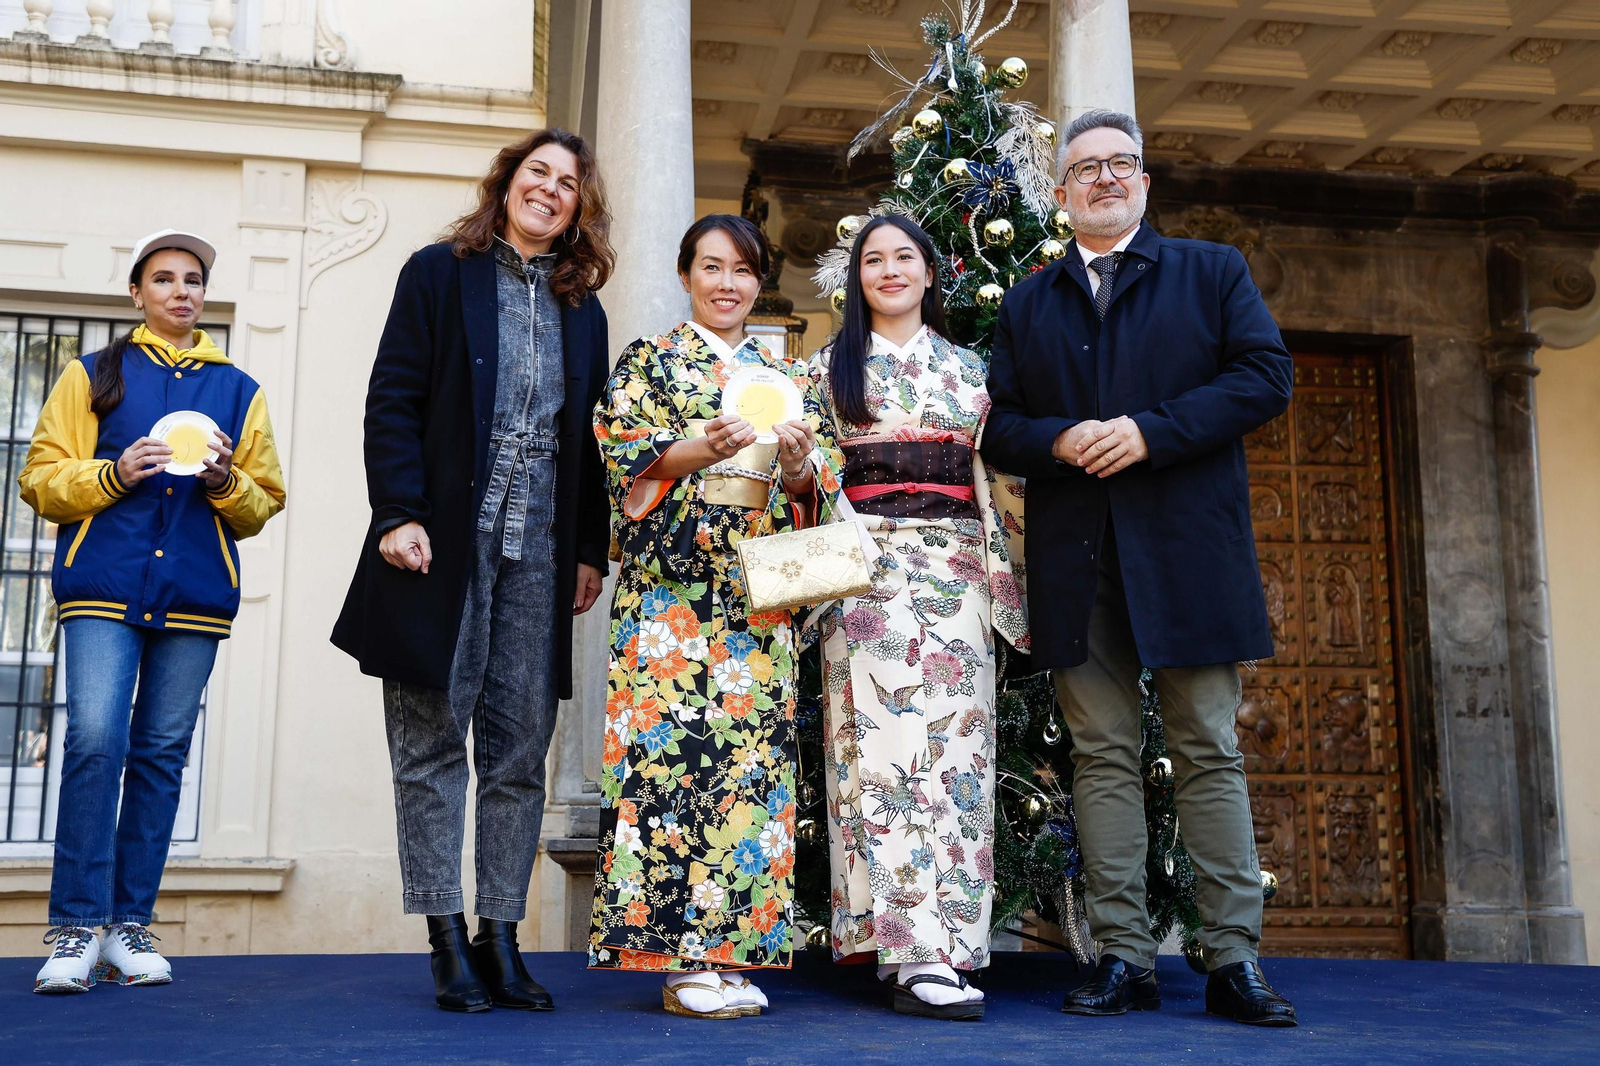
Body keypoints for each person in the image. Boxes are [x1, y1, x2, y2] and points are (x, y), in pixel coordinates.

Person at [982, 109, 1299, 1027]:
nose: (1106, 177)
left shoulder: (1212, 272)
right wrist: (1062, 438)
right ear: (1061, 194)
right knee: (1102, 758)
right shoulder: (1029, 301)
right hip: (1079, 558)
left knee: (1208, 747)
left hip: (1189, 553)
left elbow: (1265, 376)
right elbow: (999, 426)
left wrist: (1149, 433)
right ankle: (1124, 955)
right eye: (1086, 168)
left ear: (1146, 184)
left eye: (1122, 163)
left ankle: (1233, 958)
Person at [331, 129, 613, 1013]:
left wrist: (588, 550)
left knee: (520, 748)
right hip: (440, 540)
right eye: (538, 173)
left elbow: (591, 444)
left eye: (568, 183)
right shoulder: (437, 271)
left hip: (539, 546)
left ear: (578, 208)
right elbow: (394, 396)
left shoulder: (584, 309)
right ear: (507, 183)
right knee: (428, 744)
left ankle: (501, 937)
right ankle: (444, 936)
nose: (551, 190)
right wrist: (398, 513)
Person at [588, 214, 839, 1019]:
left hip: (755, 606)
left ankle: (732, 954)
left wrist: (800, 466)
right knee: (671, 773)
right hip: (672, 605)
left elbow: (817, 489)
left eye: (742, 271)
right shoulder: (652, 362)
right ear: (686, 275)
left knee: (749, 783)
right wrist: (705, 443)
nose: (727, 283)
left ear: (760, 283)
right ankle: (675, 958)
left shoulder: (780, 369)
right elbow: (622, 455)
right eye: (711, 267)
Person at [22, 229, 286, 993]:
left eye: (193, 280)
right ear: (137, 293)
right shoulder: (92, 375)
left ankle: (127, 928)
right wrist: (113, 472)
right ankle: (76, 928)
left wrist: (226, 482)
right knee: (96, 741)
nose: (181, 290)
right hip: (103, 584)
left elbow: (263, 502)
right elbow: (40, 479)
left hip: (195, 597)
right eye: (164, 278)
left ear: (205, 295)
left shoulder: (239, 389)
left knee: (162, 754)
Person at [807, 214, 1026, 1020]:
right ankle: (906, 951)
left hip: (959, 574)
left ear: (931, 275)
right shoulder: (826, 371)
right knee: (879, 756)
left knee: (959, 758)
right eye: (874, 259)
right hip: (865, 577)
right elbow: (807, 480)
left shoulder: (972, 373)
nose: (890, 270)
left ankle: (948, 946)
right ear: (856, 278)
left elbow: (1000, 483)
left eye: (905, 257)